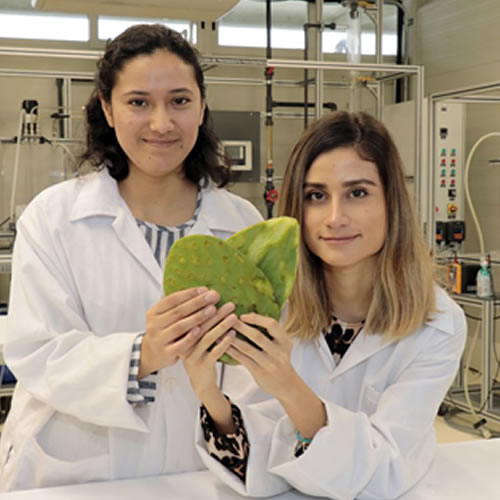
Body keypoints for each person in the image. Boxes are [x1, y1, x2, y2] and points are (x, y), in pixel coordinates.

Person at [0, 24, 263, 491]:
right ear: (107, 107)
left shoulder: (240, 222)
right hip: (74, 474)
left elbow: (252, 369)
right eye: (139, 102)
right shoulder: (55, 217)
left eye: (180, 101)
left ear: (202, 107)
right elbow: (35, 351)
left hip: (195, 470)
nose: (161, 123)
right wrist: (144, 353)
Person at [186, 111, 467, 499]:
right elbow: (257, 460)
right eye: (316, 196)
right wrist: (207, 392)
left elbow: (382, 468)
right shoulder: (271, 304)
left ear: (391, 202)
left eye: (357, 193)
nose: (335, 218)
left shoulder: (437, 323)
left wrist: (288, 386)